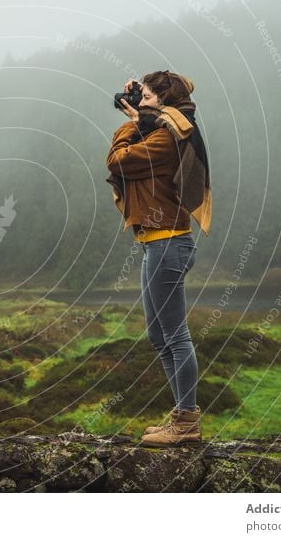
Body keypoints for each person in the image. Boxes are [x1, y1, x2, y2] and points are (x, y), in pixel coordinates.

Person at [105, 70, 212, 447]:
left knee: (176, 336)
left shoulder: (165, 138)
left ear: (164, 102)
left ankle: (186, 422)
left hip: (168, 243)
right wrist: (142, 114)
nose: (140, 101)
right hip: (157, 244)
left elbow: (117, 160)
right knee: (158, 336)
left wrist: (130, 124)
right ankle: (181, 416)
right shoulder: (162, 129)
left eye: (147, 96)